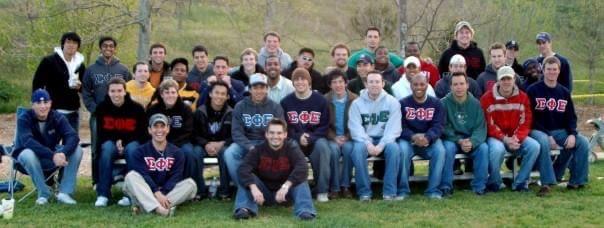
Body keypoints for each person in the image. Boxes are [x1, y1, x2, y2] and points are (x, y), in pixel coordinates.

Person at [527, 56, 590, 195]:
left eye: (554, 69)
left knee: (583, 142)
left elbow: (571, 117)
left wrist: (573, 134)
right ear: (543, 70)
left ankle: (577, 181)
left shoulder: (564, 92)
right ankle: (547, 182)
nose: (551, 72)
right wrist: (548, 135)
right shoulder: (533, 90)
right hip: (537, 130)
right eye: (548, 69)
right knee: (543, 140)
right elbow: (530, 118)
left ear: (559, 71)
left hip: (560, 131)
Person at [233, 118, 316, 220]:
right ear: (266, 134)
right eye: (271, 133)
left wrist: (286, 186)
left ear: (285, 134)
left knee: (301, 179)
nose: (275, 136)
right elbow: (243, 169)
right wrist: (253, 188)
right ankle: (244, 209)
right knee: (247, 178)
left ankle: (305, 211)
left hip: (285, 194)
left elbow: (302, 167)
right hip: (263, 194)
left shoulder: (291, 148)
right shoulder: (258, 149)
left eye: (279, 133)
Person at [13, 89, 82, 205]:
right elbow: (28, 142)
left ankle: (64, 193)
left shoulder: (57, 117)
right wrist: (53, 155)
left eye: (46, 102)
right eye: (38, 103)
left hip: (51, 157)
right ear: (32, 105)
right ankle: (44, 194)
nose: (43, 106)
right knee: (27, 154)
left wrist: (63, 153)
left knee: (77, 150)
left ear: (50, 103)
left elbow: (72, 136)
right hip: (29, 159)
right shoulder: (24, 118)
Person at [123, 113, 197, 217]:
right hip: (145, 189)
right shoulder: (139, 152)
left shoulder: (177, 152)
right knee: (131, 177)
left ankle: (145, 206)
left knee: (191, 184)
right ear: (149, 130)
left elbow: (176, 177)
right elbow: (144, 175)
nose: (159, 130)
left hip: (166, 192)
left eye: (162, 126)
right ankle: (161, 210)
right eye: (155, 126)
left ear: (168, 129)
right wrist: (156, 193)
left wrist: (161, 194)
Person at [480, 66, 540, 192]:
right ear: (498, 81)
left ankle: (520, 183)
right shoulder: (487, 98)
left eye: (509, 78)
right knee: (497, 150)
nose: (506, 82)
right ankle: (495, 182)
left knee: (534, 146)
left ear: (514, 79)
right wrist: (504, 138)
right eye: (503, 79)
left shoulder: (523, 97)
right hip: (496, 137)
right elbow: (489, 124)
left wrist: (516, 138)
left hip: (516, 136)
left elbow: (526, 121)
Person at [348, 71, 404, 201]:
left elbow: (394, 128)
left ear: (383, 84)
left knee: (394, 149)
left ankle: (389, 192)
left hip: (385, 138)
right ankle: (364, 192)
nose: (374, 85)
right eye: (371, 82)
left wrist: (382, 144)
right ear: (366, 84)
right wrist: (368, 143)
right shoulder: (357, 103)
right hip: (365, 139)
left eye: (377, 82)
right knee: (357, 150)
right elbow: (355, 128)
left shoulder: (392, 102)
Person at [224, 73, 284, 189]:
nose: (259, 91)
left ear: (267, 89)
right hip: (246, 143)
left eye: (262, 87)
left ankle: (266, 187)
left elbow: (280, 131)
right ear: (250, 89)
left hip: (267, 143)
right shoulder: (240, 106)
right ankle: (243, 187)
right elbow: (236, 132)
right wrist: (250, 147)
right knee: (230, 153)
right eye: (255, 88)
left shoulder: (275, 107)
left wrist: (266, 146)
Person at [93, 78, 147, 207]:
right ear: (108, 92)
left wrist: (123, 141)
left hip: (131, 142)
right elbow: (101, 133)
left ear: (124, 91)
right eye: (113, 91)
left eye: (119, 90)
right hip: (110, 142)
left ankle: (130, 194)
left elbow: (141, 133)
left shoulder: (136, 108)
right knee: (106, 149)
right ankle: (103, 194)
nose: (116, 94)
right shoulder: (101, 108)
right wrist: (116, 140)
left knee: (133, 149)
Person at [281, 68, 332, 202]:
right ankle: (293, 188)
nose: (300, 82)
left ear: (309, 82)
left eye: (303, 79)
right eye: (296, 79)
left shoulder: (320, 101)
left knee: (323, 148)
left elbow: (325, 126)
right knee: (289, 146)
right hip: (295, 139)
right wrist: (298, 137)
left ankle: (322, 191)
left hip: (315, 139)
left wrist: (311, 137)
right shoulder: (286, 102)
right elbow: (285, 127)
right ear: (292, 83)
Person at [147, 80, 203, 198]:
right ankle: (157, 187)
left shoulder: (185, 109)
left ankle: (191, 188)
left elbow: (188, 130)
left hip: (181, 141)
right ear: (161, 94)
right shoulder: (153, 109)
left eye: (173, 92)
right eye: (167, 92)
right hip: (158, 141)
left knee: (189, 152)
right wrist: (162, 143)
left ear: (177, 93)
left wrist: (171, 145)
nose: (170, 95)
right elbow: (148, 128)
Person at [398, 74, 447, 199]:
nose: (418, 87)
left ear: (427, 85)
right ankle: (403, 190)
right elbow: (400, 127)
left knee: (440, 151)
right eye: (415, 84)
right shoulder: (403, 103)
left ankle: (433, 190)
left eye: (422, 84)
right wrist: (413, 136)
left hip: (429, 140)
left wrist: (428, 137)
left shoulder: (436, 103)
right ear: (411, 86)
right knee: (402, 151)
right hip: (409, 140)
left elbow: (439, 126)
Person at [441, 72, 489, 196]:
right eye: (455, 84)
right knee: (447, 148)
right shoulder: (443, 103)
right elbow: (443, 127)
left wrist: (472, 142)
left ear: (467, 85)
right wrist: (459, 140)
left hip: (471, 139)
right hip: (452, 140)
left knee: (483, 148)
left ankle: (479, 187)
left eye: (462, 83)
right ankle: (446, 186)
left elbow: (480, 128)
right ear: (450, 86)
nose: (459, 87)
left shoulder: (476, 104)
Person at [32, 32, 86, 133]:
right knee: (51, 143)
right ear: (63, 44)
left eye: (74, 43)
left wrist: (80, 87)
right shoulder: (49, 61)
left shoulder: (80, 64)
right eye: (68, 42)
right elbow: (37, 84)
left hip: (73, 111)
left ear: (78, 46)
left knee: (71, 143)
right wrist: (39, 104)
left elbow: (85, 87)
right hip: (53, 110)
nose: (71, 45)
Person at [193, 80, 233, 199]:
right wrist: (205, 144)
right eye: (217, 92)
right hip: (204, 144)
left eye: (223, 94)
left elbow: (235, 135)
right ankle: (201, 190)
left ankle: (223, 191)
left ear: (227, 97)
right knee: (197, 152)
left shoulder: (231, 113)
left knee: (224, 152)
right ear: (210, 94)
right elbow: (193, 134)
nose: (219, 96)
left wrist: (222, 143)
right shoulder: (200, 111)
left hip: (223, 144)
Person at [324, 70, 357, 198]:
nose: (338, 85)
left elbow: (357, 122)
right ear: (330, 85)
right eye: (334, 82)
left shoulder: (355, 99)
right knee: (333, 150)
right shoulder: (324, 100)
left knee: (349, 149)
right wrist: (334, 137)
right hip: (332, 138)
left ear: (346, 83)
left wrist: (347, 137)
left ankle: (346, 186)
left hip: (350, 137)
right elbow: (322, 124)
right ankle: (334, 188)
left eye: (340, 82)